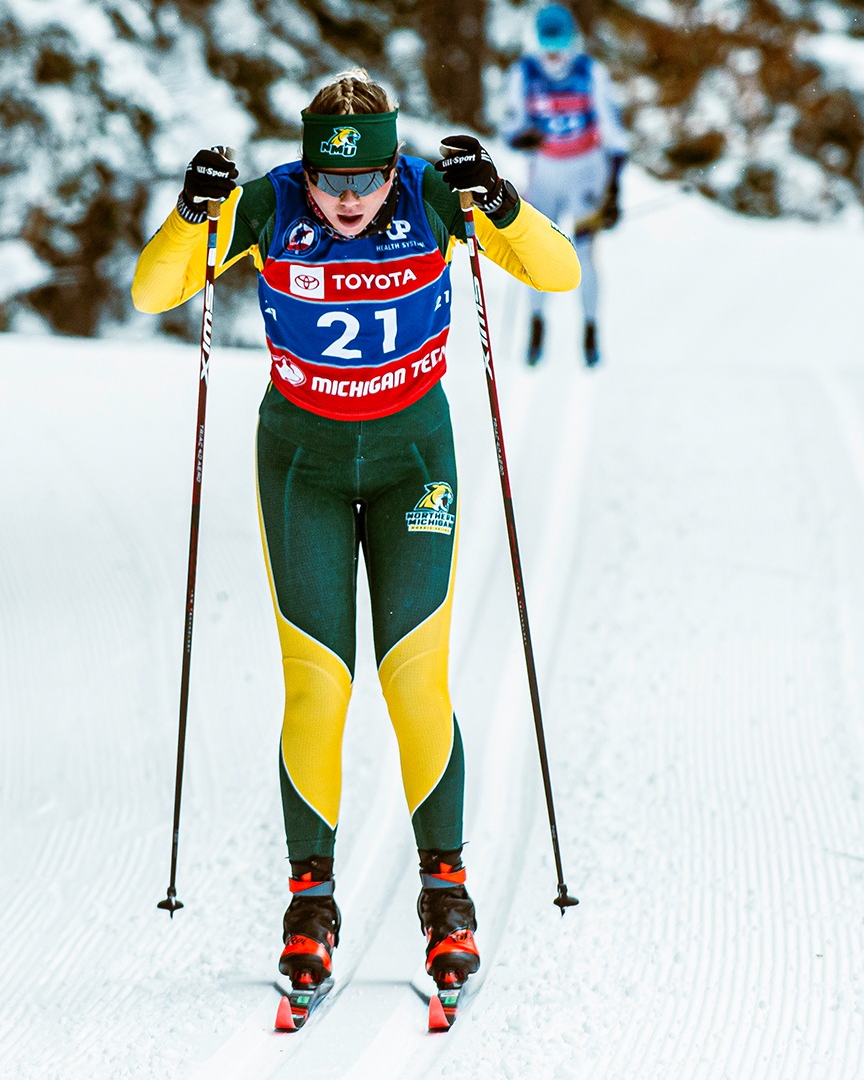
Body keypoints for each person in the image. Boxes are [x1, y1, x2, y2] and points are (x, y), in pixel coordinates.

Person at [132, 69, 579, 998]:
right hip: (304, 466)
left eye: (362, 182)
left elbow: (557, 268)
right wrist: (189, 215)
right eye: (328, 181)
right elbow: (153, 291)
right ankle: (310, 903)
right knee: (318, 680)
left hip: (415, 460)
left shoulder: (431, 195)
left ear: (391, 167)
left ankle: (445, 894)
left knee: (414, 672)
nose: (343, 201)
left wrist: (497, 200)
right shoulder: (268, 206)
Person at [502, 2, 629, 367]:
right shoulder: (523, 73)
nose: (555, 56)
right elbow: (511, 124)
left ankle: (590, 328)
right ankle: (537, 322)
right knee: (536, 251)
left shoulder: (590, 71)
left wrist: (614, 189)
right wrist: (519, 139)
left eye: (561, 46)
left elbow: (614, 129)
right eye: (547, 46)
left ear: (573, 42)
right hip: (545, 172)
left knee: (585, 252)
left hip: (587, 170)